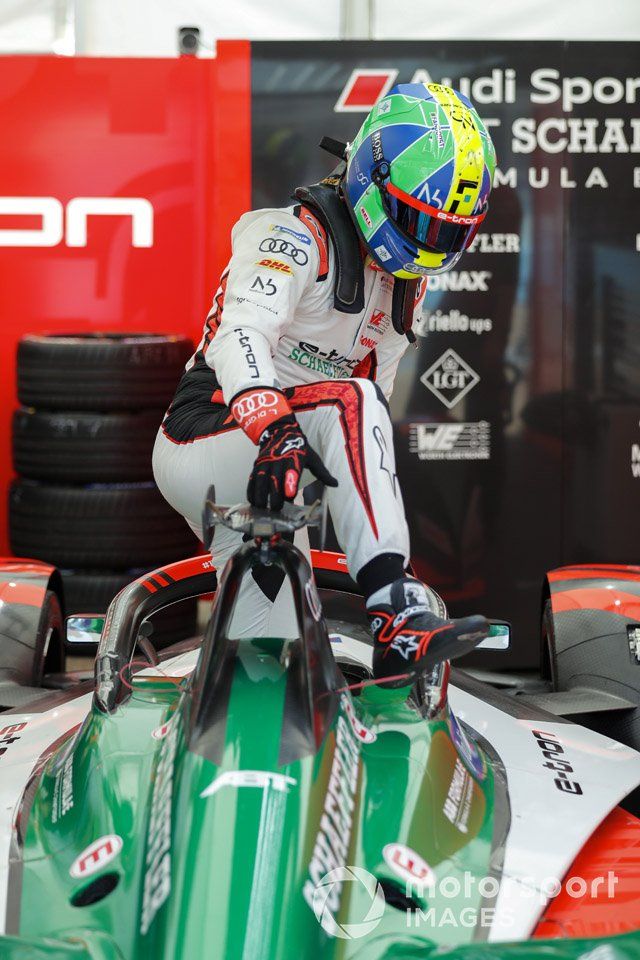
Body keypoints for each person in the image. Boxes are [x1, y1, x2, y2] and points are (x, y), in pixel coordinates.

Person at [153, 82, 496, 685]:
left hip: (287, 460)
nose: (428, 244)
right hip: (209, 436)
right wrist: (277, 431)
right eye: (419, 220)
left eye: (446, 232)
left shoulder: (402, 289)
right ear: (371, 175)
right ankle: (395, 607)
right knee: (352, 398)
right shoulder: (288, 233)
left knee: (268, 664)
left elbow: (369, 419)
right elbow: (239, 338)